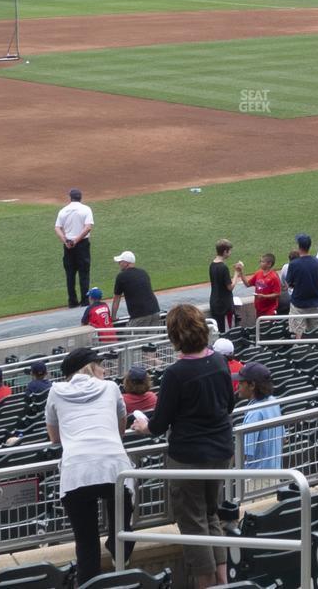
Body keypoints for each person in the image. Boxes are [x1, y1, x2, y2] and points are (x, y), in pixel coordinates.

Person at [130, 307, 237, 589]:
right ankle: (221, 583)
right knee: (210, 514)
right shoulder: (217, 361)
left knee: (193, 522)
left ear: (175, 336)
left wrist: (144, 427)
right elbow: (229, 404)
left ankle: (206, 583)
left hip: (190, 458)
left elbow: (159, 423)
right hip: (220, 451)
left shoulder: (177, 373)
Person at [46, 347, 128, 587]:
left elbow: (54, 437)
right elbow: (120, 428)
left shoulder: (56, 391)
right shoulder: (111, 387)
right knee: (122, 534)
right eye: (100, 365)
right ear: (90, 368)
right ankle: (120, 565)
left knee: (86, 545)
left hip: (76, 473)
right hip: (115, 468)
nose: (104, 369)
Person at [237, 362, 284, 475]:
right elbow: (284, 438)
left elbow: (245, 452)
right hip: (275, 472)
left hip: (257, 479)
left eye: (241, 383)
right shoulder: (273, 401)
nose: (237, 386)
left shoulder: (255, 413)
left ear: (252, 385)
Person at [57, 189, 96, 307]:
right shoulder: (86, 209)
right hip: (82, 244)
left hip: (68, 246)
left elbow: (57, 228)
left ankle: (72, 301)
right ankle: (85, 300)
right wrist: (76, 240)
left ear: (70, 197)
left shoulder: (63, 211)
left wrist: (66, 241)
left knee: (70, 274)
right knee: (84, 273)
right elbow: (88, 227)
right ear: (81, 197)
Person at [283, 234, 318, 333]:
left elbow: (289, 283)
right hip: (315, 302)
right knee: (317, 334)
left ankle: (300, 349)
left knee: (298, 334)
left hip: (299, 303)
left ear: (299, 246)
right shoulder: (316, 262)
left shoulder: (294, 264)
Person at [111, 251, 160, 326]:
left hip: (140, 316)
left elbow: (116, 299)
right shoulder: (143, 272)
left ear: (126, 263)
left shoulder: (121, 276)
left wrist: (113, 317)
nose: (119, 264)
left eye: (120, 262)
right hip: (155, 311)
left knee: (131, 336)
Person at [208, 241, 237, 330]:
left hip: (214, 302)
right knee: (226, 331)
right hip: (224, 305)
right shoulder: (223, 267)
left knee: (218, 331)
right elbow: (230, 287)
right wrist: (237, 273)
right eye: (229, 251)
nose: (230, 253)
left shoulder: (212, 265)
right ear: (225, 252)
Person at [247, 252, 282, 322]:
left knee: (267, 330)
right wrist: (240, 273)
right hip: (259, 309)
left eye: (262, 261)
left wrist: (264, 296)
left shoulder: (274, 277)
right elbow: (248, 284)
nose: (260, 263)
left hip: (269, 310)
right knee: (260, 329)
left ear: (269, 264)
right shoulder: (258, 273)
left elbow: (278, 294)